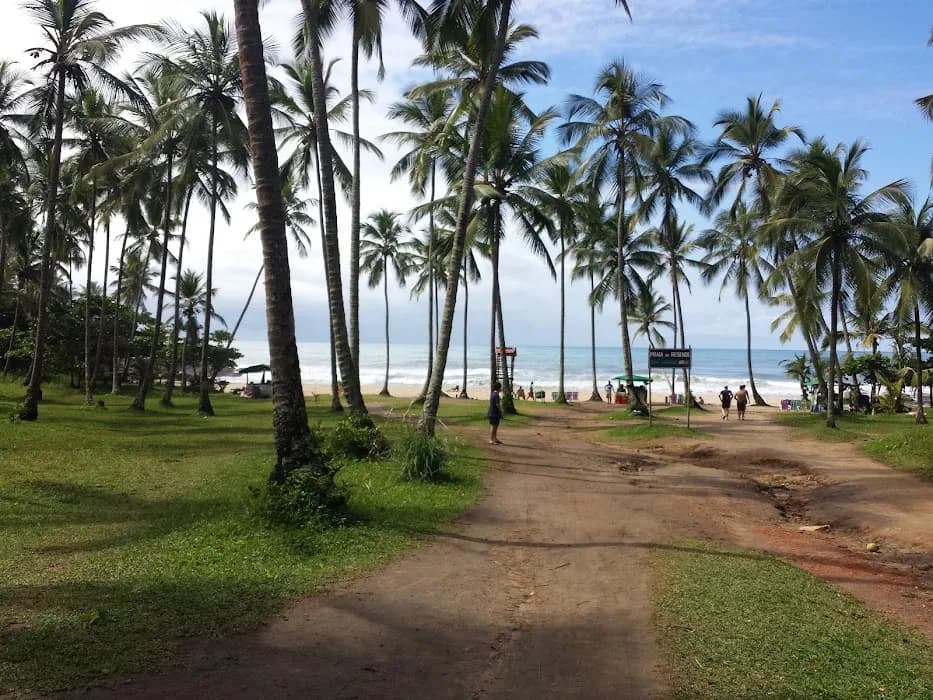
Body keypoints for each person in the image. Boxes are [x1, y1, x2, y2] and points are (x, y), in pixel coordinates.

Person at [488, 380, 502, 445]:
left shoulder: (493, 393)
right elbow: (497, 404)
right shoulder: (496, 395)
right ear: (498, 388)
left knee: (495, 426)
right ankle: (491, 440)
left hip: (491, 412)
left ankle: (495, 438)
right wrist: (500, 411)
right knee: (494, 427)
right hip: (494, 413)